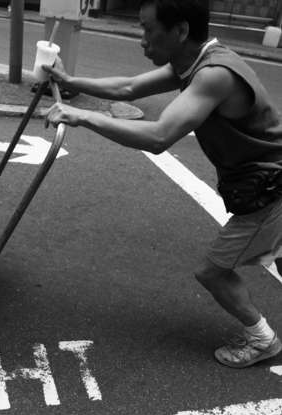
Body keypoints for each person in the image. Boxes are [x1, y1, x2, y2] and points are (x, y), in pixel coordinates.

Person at [43, 0, 282, 368]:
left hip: (271, 190)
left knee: (213, 273)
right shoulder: (194, 62)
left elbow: (158, 137)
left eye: (148, 29)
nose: (142, 39)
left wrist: (83, 116)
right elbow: (128, 87)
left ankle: (262, 339)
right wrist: (69, 82)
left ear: (180, 30)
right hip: (260, 184)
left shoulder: (214, 75)